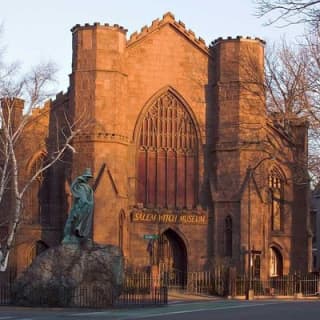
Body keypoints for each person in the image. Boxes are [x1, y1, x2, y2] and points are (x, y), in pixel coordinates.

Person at [62, 168, 94, 244]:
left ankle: (73, 236)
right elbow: (85, 199)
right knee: (77, 222)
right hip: (83, 208)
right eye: (87, 177)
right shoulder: (85, 187)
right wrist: (88, 203)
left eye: (88, 177)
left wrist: (87, 203)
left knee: (75, 222)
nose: (88, 179)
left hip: (81, 208)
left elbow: (84, 199)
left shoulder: (84, 187)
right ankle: (72, 236)